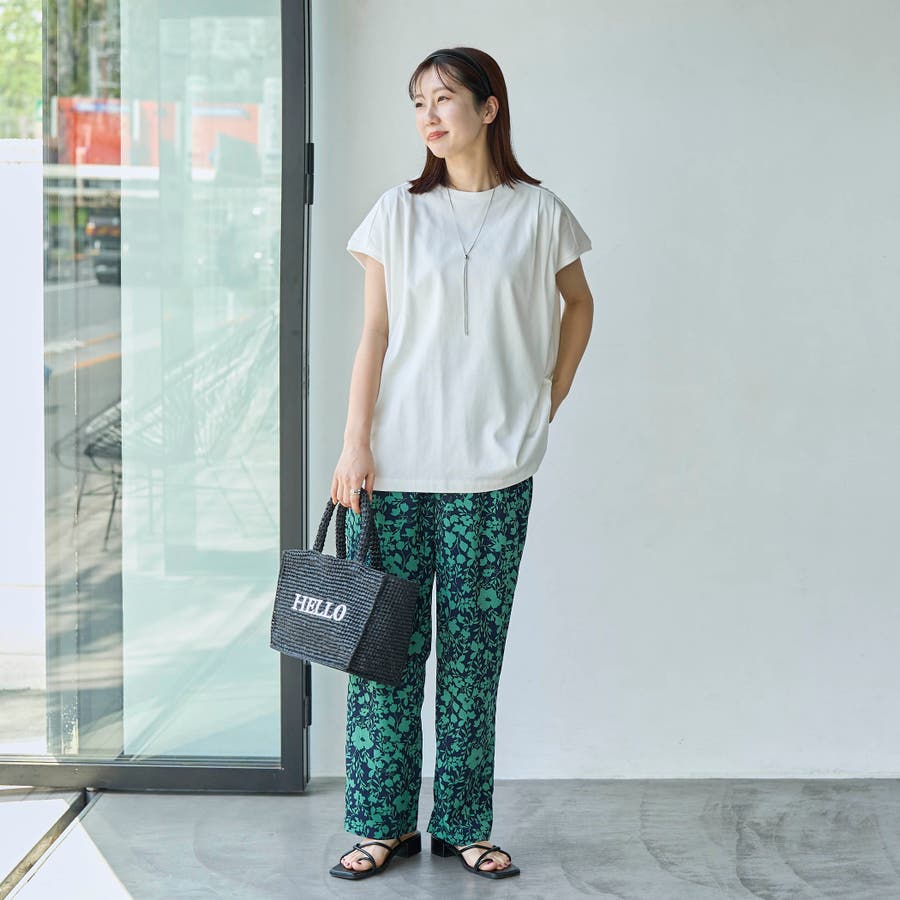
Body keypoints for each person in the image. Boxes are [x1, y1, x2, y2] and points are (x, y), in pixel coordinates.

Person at [329, 46, 594, 882]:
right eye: (417, 103)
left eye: (443, 99)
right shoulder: (395, 213)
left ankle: (463, 825)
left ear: (488, 107)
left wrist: (547, 398)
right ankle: (381, 826)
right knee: (383, 662)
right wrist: (353, 443)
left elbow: (579, 304)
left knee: (473, 663)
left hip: (493, 476)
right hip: (394, 471)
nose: (429, 116)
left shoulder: (540, 212)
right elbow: (375, 334)